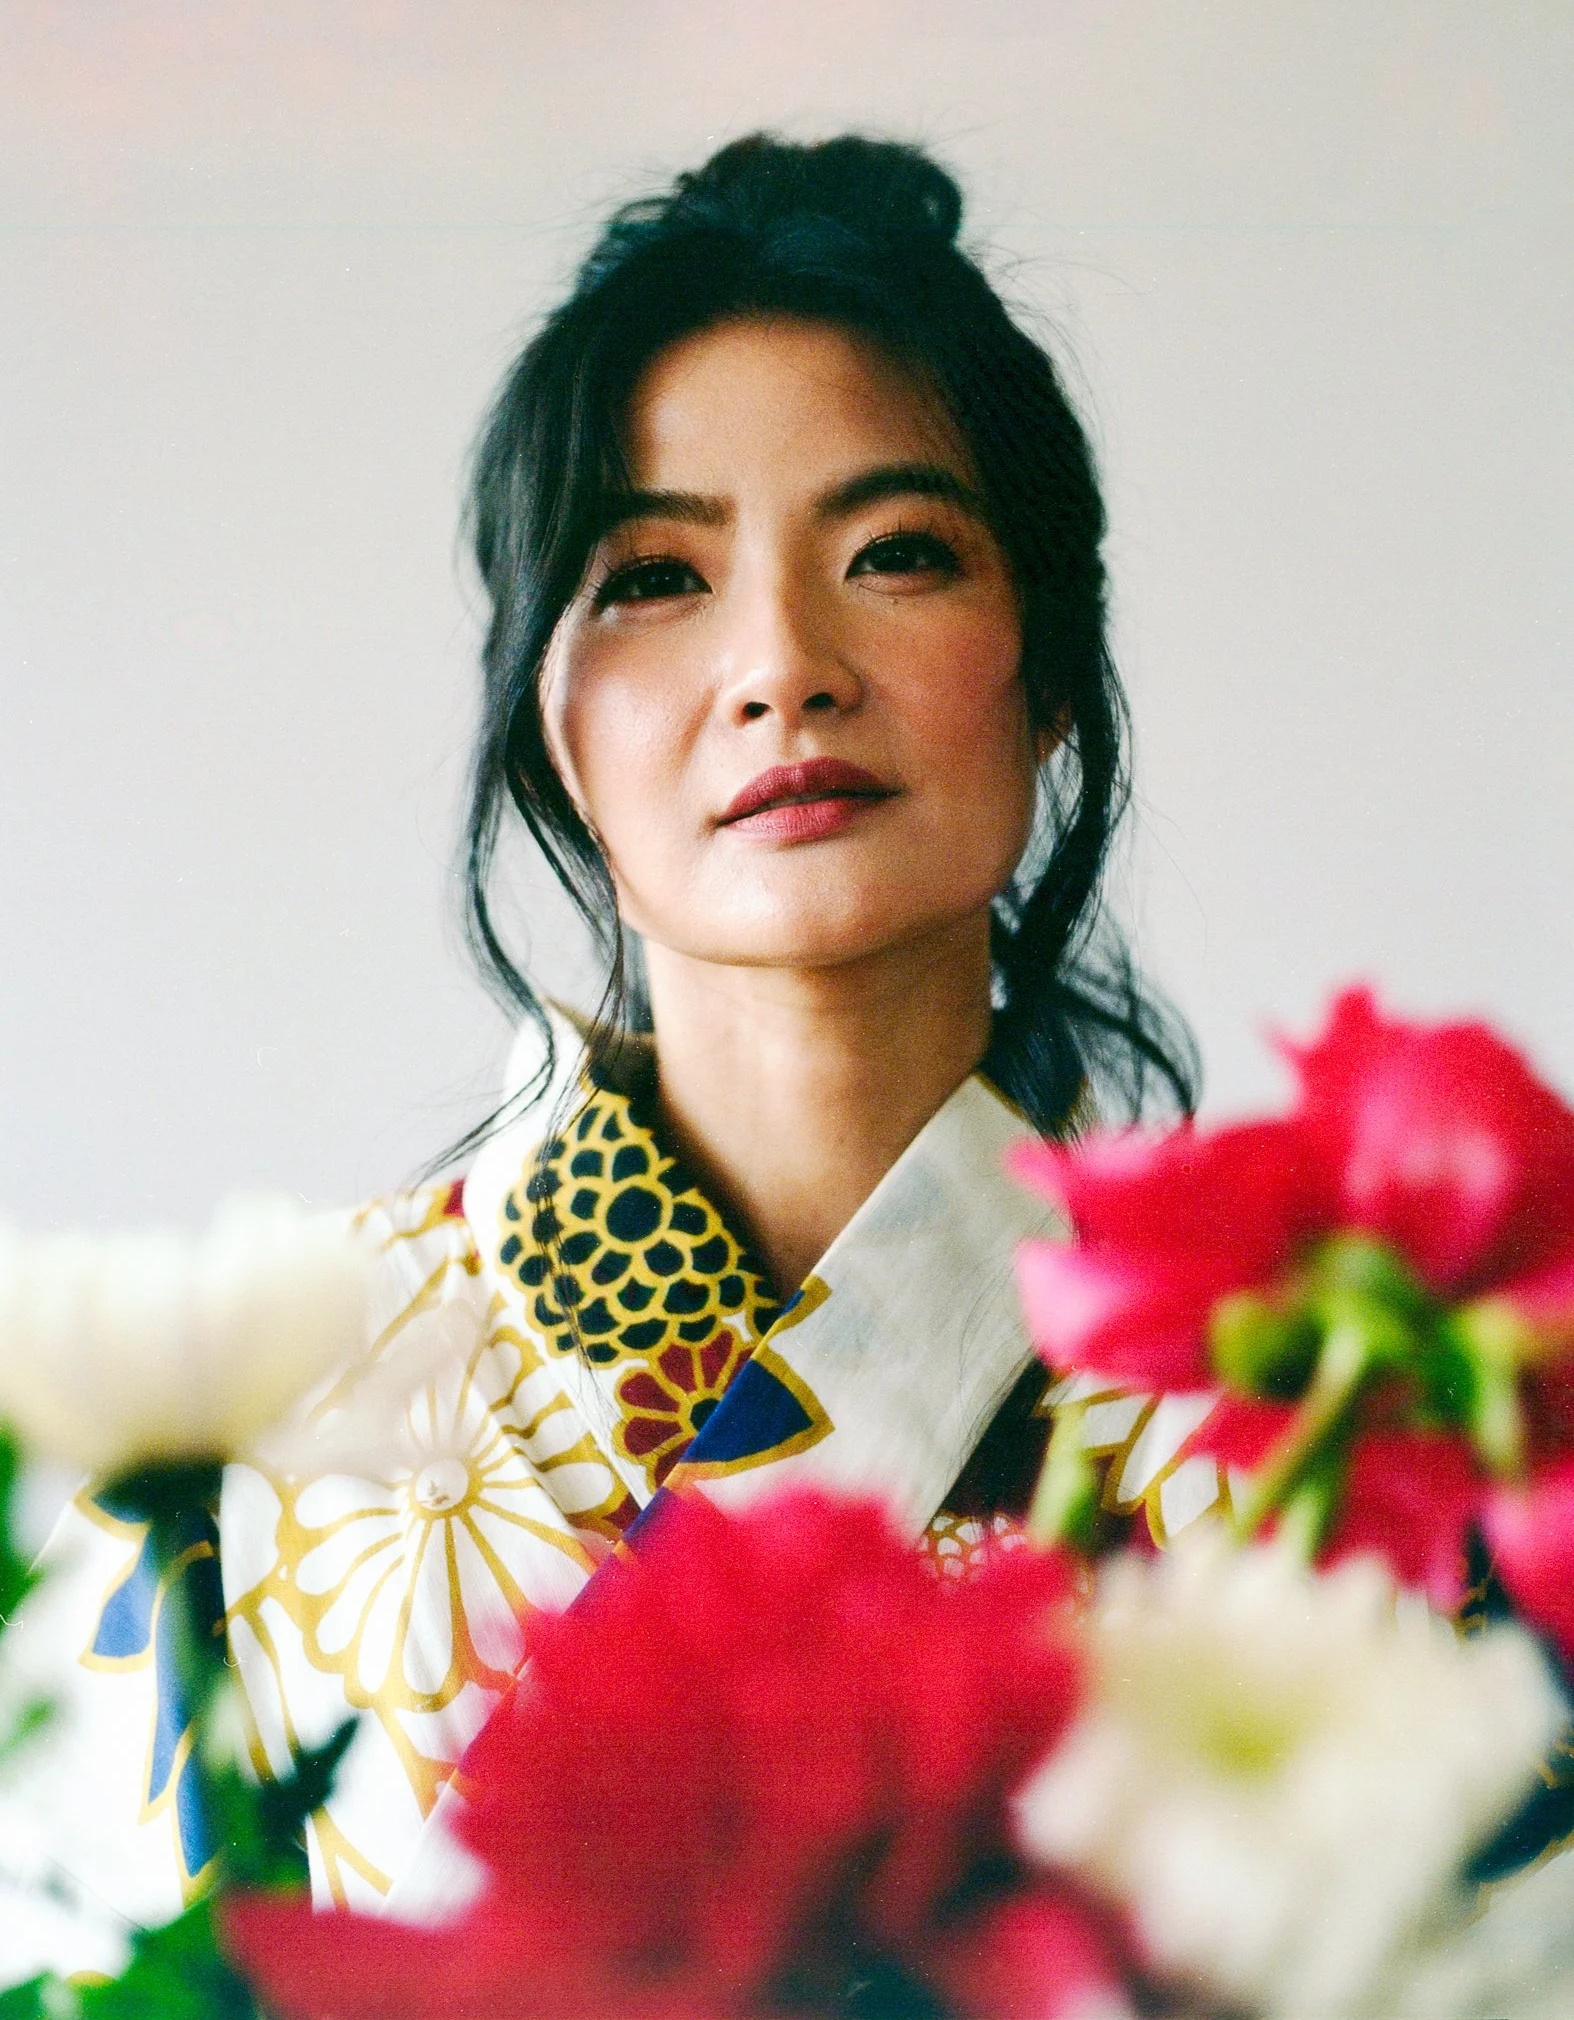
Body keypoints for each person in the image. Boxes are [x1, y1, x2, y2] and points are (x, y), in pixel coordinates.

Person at [1, 132, 1222, 1968]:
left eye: (894, 551)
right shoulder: (245, 1444)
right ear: (550, 731)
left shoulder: (1316, 1404)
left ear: (1048, 672)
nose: (782, 665)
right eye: (654, 577)